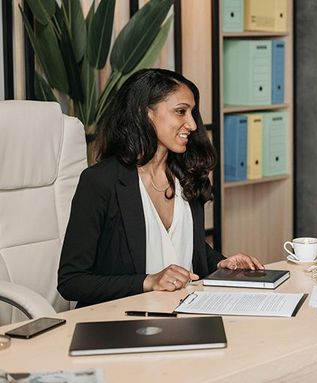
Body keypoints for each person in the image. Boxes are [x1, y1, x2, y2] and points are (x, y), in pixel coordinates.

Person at [58, 68, 264, 307]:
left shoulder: (187, 174)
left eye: (192, 113)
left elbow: (184, 247)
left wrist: (220, 263)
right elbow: (71, 281)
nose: (192, 124)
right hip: (122, 321)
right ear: (145, 113)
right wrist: (148, 282)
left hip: (187, 312)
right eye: (181, 112)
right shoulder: (101, 181)